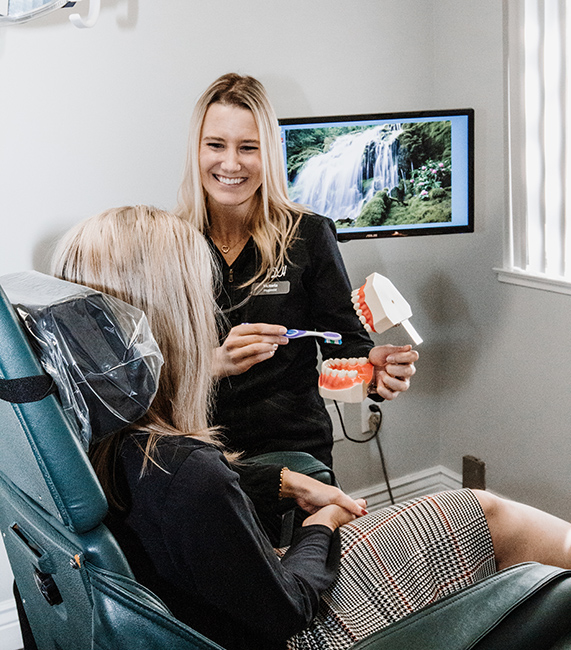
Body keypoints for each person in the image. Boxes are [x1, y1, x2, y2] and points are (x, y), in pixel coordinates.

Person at [52, 205, 571, 650]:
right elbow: (288, 607)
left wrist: (283, 480)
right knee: (487, 514)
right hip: (300, 624)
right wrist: (319, 523)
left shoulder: (78, 432)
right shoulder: (189, 472)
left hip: (222, 589)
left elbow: (188, 503)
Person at [175, 73, 418, 466]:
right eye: (215, 145)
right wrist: (214, 364)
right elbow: (152, 370)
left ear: (268, 152)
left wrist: (371, 372)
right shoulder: (167, 244)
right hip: (198, 450)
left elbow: (344, 338)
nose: (231, 163)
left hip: (294, 447)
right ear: (196, 149)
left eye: (248, 147)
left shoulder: (309, 234)